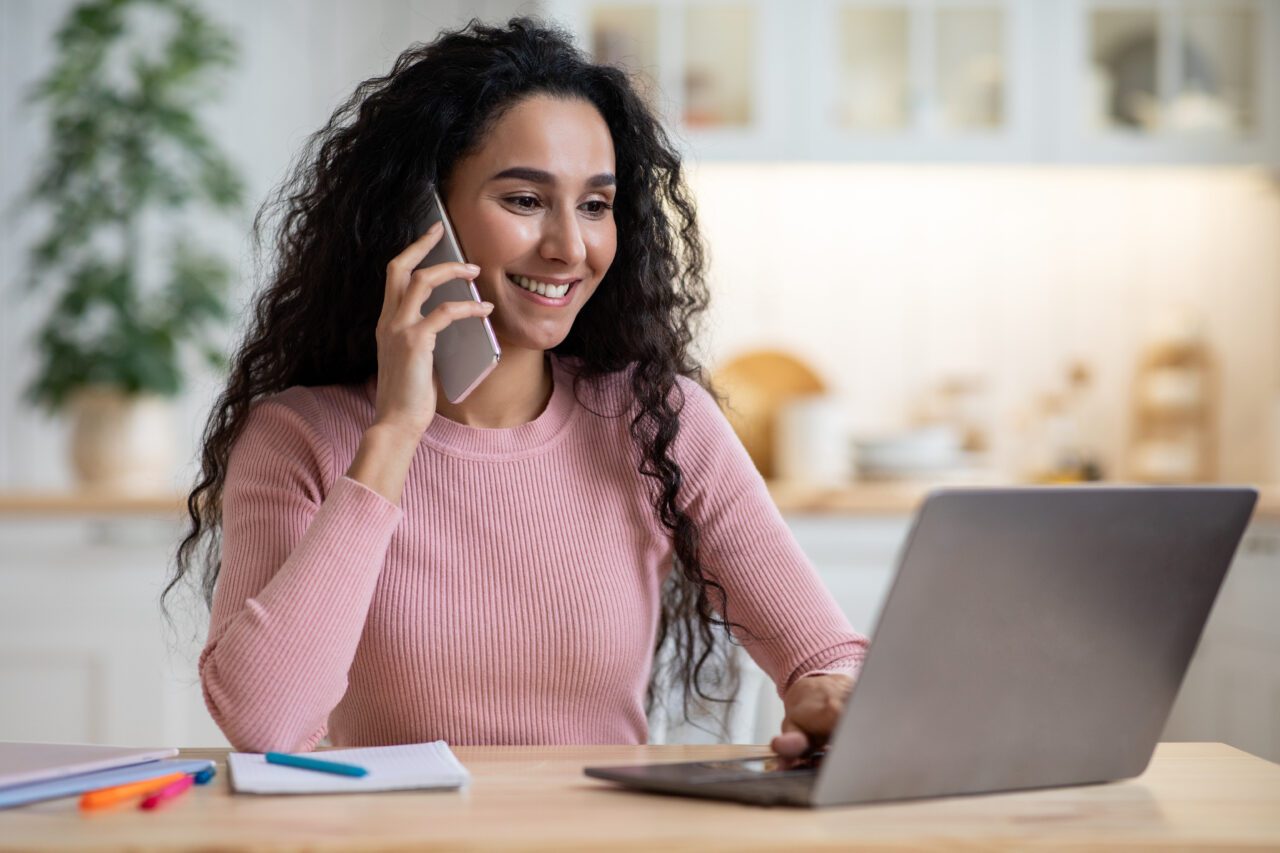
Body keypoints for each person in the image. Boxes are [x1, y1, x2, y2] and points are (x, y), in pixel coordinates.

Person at [166, 17, 865, 758]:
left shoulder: (658, 421)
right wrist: (396, 434)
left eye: (595, 205)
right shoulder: (300, 436)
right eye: (526, 201)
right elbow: (265, 723)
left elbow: (826, 653)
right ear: (421, 216)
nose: (570, 247)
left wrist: (828, 689)